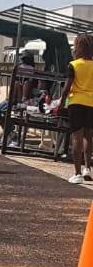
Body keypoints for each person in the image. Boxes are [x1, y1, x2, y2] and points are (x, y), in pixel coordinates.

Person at [58, 33, 93, 184]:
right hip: (91, 104)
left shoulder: (73, 65)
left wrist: (61, 103)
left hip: (76, 103)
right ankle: (88, 168)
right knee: (88, 136)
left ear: (78, 48)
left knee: (77, 137)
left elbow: (67, 87)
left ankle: (77, 173)